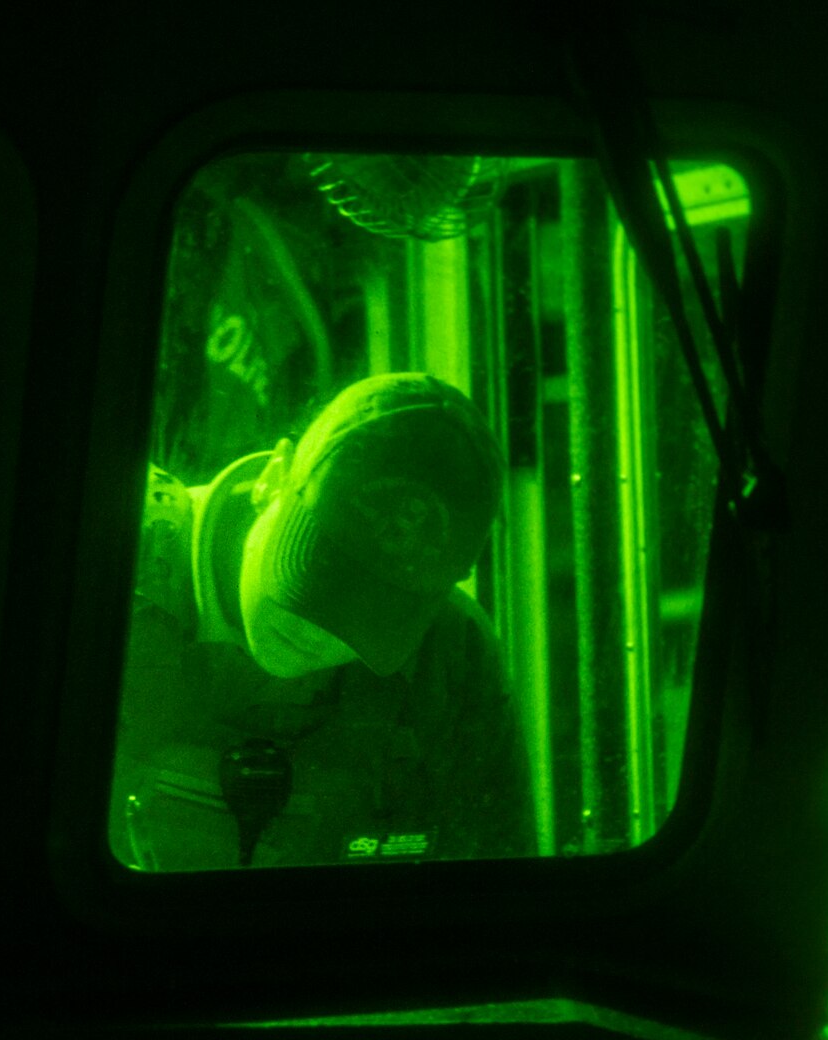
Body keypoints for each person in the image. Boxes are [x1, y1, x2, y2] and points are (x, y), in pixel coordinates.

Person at [110, 372, 533, 871]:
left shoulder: (451, 663)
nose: (318, 634)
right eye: (318, 573)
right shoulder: (106, 566)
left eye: (372, 617)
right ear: (274, 476)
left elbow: (495, 892)